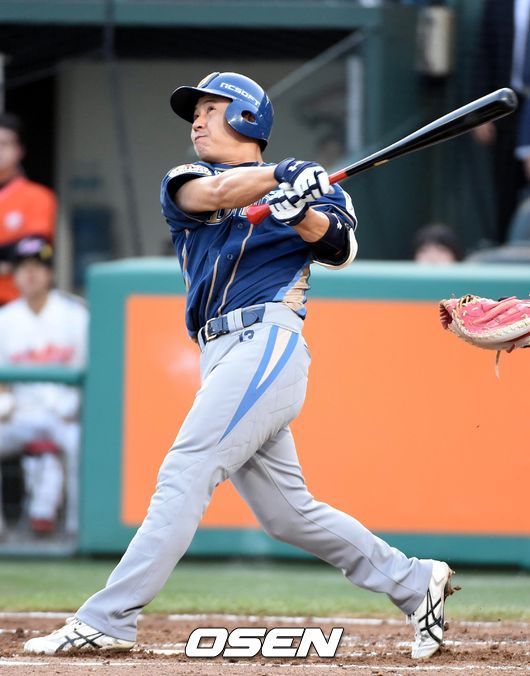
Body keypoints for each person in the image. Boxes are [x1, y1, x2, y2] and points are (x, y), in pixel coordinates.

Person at [24, 72, 456, 660]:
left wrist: (300, 211)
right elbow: (216, 195)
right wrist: (280, 178)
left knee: (186, 471)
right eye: (195, 112)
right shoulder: (187, 179)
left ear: (247, 117)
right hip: (220, 354)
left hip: (266, 343)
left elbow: (338, 248)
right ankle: (413, 580)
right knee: (288, 515)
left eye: (210, 108)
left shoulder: (314, 191)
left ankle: (109, 618)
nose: (197, 121)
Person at [0, 237, 88, 537]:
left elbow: (89, 372)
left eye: (37, 267)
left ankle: (77, 529)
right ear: (14, 275)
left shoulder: (75, 315)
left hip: (64, 415)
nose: (30, 274)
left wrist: (74, 408)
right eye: (23, 268)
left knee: (80, 443)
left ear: (50, 273)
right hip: (19, 414)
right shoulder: (5, 319)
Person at [471, 0, 529, 242]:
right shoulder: (498, 4)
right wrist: (481, 112)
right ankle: (504, 245)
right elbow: (485, 54)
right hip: (506, 104)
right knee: (504, 191)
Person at [0, 114, 57, 306]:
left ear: (19, 150)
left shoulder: (38, 196)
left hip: (19, 304)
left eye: (5, 143)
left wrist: (15, 254)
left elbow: (32, 248)